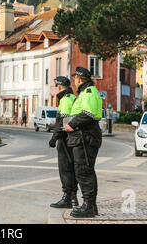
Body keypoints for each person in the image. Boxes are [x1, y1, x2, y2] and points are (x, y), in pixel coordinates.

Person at [64, 67, 103, 218]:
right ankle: (90, 205)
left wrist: (71, 124)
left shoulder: (88, 92)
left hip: (85, 135)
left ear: (79, 79)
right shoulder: (86, 92)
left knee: (84, 171)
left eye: (75, 79)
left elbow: (87, 114)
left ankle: (88, 206)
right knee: (84, 170)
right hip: (83, 135)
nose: (73, 81)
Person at [49, 76, 79, 209]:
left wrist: (54, 139)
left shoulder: (65, 100)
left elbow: (62, 122)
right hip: (72, 138)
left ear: (60, 87)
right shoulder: (72, 97)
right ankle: (73, 199)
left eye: (57, 86)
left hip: (65, 139)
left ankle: (67, 198)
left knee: (65, 169)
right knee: (72, 169)